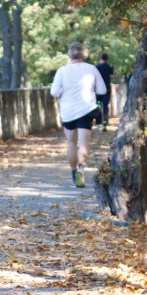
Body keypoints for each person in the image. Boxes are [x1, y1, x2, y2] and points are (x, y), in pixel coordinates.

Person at [50, 41, 106, 188]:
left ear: (69, 54)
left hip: (68, 112)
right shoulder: (92, 69)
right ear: (84, 54)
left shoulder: (62, 70)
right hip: (86, 110)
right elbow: (102, 90)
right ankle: (81, 169)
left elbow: (54, 92)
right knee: (84, 143)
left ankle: (73, 172)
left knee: (71, 143)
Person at [95, 52, 115, 129]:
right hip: (107, 89)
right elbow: (115, 75)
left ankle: (98, 120)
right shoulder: (109, 67)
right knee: (105, 105)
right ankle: (105, 121)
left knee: (98, 103)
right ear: (107, 59)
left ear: (101, 59)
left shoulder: (97, 67)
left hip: (98, 90)